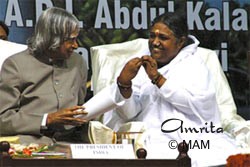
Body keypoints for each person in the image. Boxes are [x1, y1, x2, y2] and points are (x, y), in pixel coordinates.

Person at [105, 12, 239, 166]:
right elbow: (129, 114)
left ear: (180, 41)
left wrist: (158, 79)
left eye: (163, 38)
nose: (155, 42)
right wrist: (124, 84)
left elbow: (200, 105)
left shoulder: (195, 65)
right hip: (151, 140)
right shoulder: (140, 63)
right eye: (152, 36)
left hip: (193, 140)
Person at [0, 7, 89, 144]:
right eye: (70, 40)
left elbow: (81, 106)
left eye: (76, 39)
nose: (76, 45)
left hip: (71, 144)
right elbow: (3, 119)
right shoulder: (15, 65)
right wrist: (47, 119)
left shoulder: (78, 62)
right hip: (30, 143)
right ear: (52, 38)